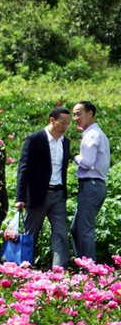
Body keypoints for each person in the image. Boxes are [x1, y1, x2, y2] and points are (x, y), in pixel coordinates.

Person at [15, 107, 71, 268]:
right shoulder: (35, 139)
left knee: (60, 233)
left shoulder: (65, 142)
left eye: (68, 123)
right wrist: (20, 198)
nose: (66, 126)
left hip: (58, 193)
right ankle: (24, 270)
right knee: (31, 234)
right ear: (52, 120)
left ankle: (59, 271)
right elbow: (23, 169)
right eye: (63, 122)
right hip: (37, 194)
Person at [70, 101, 111, 261]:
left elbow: (87, 162)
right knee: (77, 229)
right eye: (74, 114)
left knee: (84, 229)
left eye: (79, 113)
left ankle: (89, 271)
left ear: (90, 113)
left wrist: (74, 157)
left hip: (91, 185)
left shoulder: (92, 135)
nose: (75, 118)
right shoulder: (96, 133)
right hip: (94, 185)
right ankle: (83, 265)